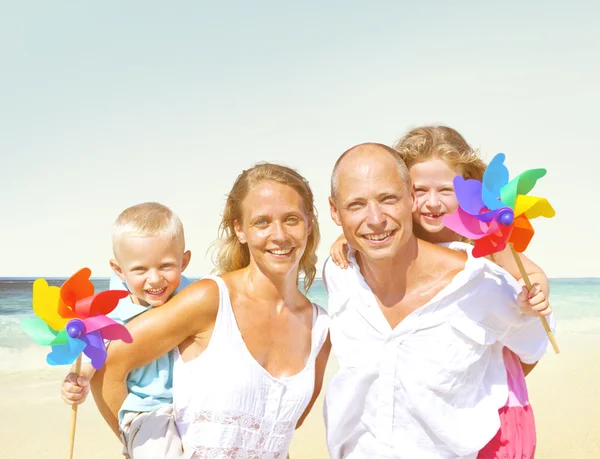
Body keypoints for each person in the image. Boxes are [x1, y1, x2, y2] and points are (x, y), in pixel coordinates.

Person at [329, 126, 554, 458]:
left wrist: (535, 294)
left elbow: (530, 279)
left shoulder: (481, 245)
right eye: (419, 190)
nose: (431, 203)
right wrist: (348, 237)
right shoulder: (382, 235)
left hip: (492, 379)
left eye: (446, 190)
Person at [91, 163, 331, 459]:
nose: (279, 235)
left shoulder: (321, 328)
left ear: (309, 222)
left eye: (291, 219)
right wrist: (142, 444)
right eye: (262, 222)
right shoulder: (209, 300)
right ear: (239, 229)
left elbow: (278, 434)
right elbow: (107, 367)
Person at [61, 202, 192, 457]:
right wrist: (79, 379)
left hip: (195, 404)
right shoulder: (111, 313)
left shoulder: (192, 298)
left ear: (184, 261)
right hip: (147, 410)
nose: (154, 279)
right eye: (140, 269)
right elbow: (94, 355)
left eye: (166, 265)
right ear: (119, 270)